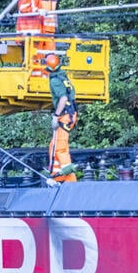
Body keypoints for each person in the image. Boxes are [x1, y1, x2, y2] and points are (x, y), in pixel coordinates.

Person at [46, 53, 78, 183]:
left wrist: (56, 115)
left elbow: (63, 98)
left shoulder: (55, 80)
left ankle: (70, 179)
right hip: (69, 114)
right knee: (53, 145)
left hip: (65, 115)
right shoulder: (62, 77)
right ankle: (57, 175)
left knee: (60, 148)